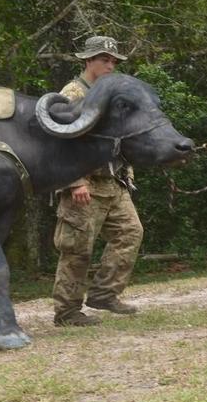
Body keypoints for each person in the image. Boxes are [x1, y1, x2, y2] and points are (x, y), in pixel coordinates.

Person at [51, 36, 144, 327]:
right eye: (105, 59)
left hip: (113, 182)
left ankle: (104, 293)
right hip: (85, 184)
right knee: (77, 249)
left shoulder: (111, 93)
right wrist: (75, 180)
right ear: (88, 60)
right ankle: (67, 312)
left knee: (130, 233)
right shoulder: (74, 92)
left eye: (114, 61)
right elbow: (60, 139)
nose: (111, 64)